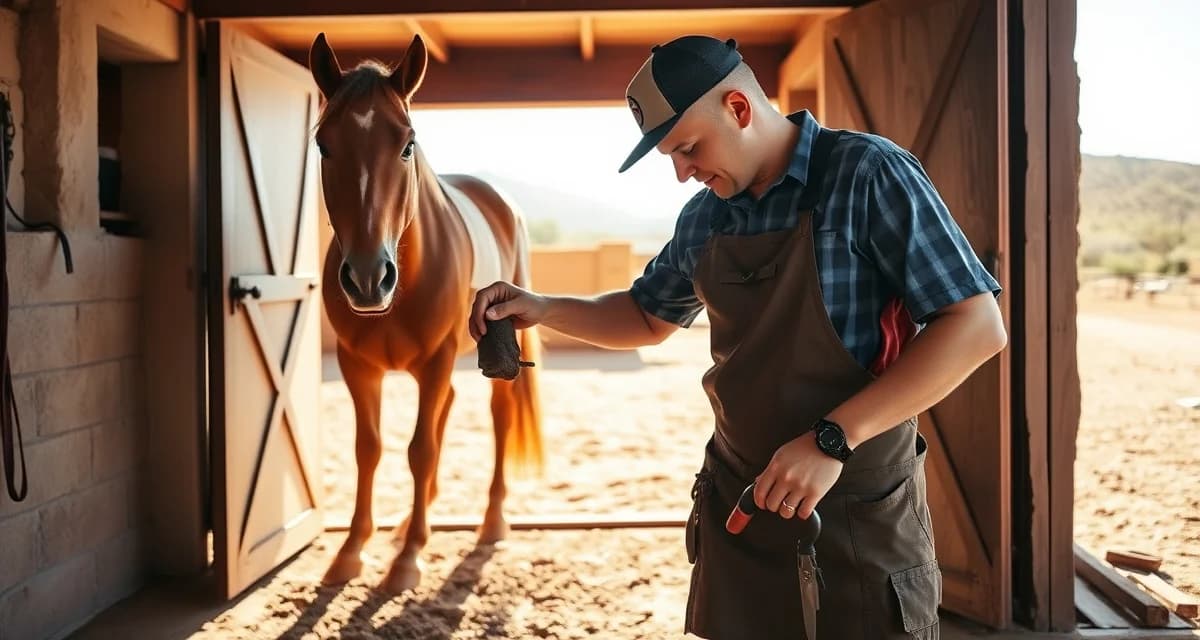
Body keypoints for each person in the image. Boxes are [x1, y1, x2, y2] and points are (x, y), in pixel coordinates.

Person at [469, 34, 1006, 640]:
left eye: (689, 148)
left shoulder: (867, 173)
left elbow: (976, 325)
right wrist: (541, 307)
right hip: (739, 505)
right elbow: (646, 318)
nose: (681, 174)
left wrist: (831, 440)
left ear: (740, 108)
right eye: (671, 156)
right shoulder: (705, 217)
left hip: (855, 510)